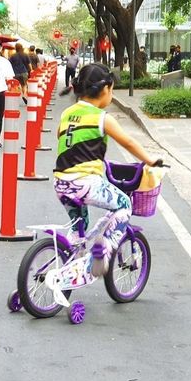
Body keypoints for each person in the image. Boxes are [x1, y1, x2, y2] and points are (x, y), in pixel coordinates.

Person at [53, 62, 161, 277]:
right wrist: (150, 160)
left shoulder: (67, 113)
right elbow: (128, 142)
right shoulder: (102, 118)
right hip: (86, 183)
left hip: (61, 183)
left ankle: (70, 270)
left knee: (79, 226)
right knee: (123, 204)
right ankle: (103, 249)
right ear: (105, 90)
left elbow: (60, 136)